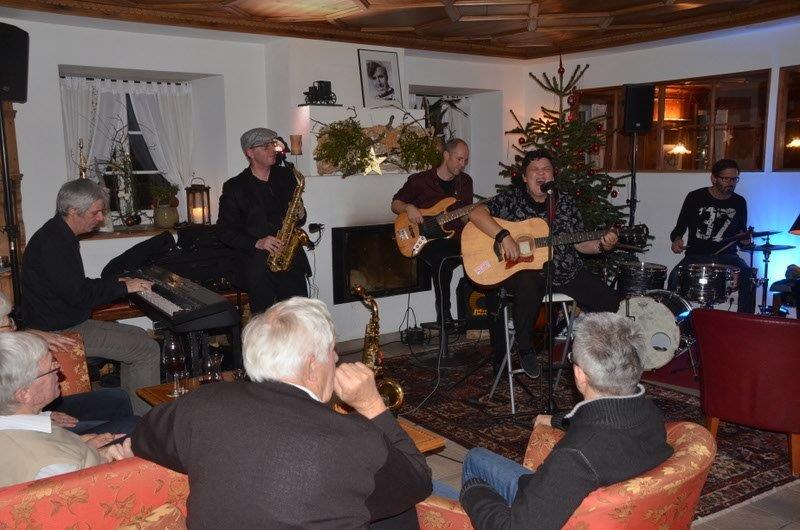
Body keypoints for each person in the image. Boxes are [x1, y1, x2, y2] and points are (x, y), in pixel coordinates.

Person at [132, 297, 431, 528]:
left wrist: (117, 446)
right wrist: (371, 405)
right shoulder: (353, 437)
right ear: (312, 366)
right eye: (332, 350)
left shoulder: (202, 403)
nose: (337, 357)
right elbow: (418, 481)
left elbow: (142, 435)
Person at [452, 313, 673, 529]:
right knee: (476, 456)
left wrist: (474, 491)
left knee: (472, 469)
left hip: (542, 510)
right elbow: (603, 421)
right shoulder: (649, 413)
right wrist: (557, 420)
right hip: (589, 507)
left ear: (579, 374)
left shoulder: (574, 457)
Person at [467, 149, 620, 377]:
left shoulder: (565, 202)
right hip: (523, 273)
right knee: (529, 280)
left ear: (553, 175)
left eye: (546, 169)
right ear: (524, 177)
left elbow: (580, 244)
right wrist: (504, 237)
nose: (541, 174)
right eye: (535, 170)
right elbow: (476, 214)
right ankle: (525, 347)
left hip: (565, 271)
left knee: (611, 301)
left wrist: (602, 246)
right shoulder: (511, 199)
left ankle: (600, 358)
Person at [19, 179, 161, 415]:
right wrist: (123, 288)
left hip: (67, 320)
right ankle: (144, 422)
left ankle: (130, 413)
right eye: (96, 213)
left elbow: (74, 286)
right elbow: (80, 295)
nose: (100, 218)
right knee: (146, 349)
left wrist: (117, 282)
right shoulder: (54, 244)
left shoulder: (58, 234)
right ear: (73, 211)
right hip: (58, 330)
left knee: (138, 335)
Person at [0, 332, 133, 488]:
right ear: (24, 394)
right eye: (51, 369)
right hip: (101, 482)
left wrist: (87, 447)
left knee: (130, 419)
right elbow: (98, 495)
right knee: (136, 429)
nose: (60, 370)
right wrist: (129, 467)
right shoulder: (50, 466)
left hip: (84, 456)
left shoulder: (19, 420)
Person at [0, 293, 138, 436]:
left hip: (33, 412)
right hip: (33, 432)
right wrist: (83, 442)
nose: (13, 328)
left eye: (11, 319)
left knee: (118, 398)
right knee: (131, 426)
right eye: (7, 322)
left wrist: (47, 414)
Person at [217, 127, 311, 315]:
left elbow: (298, 219)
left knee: (300, 317)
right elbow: (224, 231)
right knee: (265, 322)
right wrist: (258, 242)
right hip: (258, 268)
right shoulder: (235, 187)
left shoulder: (287, 176)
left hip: (290, 260)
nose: (272, 149)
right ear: (250, 152)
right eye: (265, 146)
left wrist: (301, 213)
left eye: (273, 144)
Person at [392, 138, 473, 327]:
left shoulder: (465, 182)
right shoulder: (420, 181)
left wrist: (473, 216)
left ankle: (478, 314)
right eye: (459, 159)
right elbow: (395, 204)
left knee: (477, 250)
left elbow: (465, 216)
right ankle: (444, 314)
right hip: (424, 239)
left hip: (454, 236)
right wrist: (409, 207)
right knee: (442, 259)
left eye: (465, 160)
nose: (463, 164)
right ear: (446, 155)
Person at [668, 158, 755, 313]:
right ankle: (674, 320)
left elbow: (741, 238)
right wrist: (677, 239)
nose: (731, 183)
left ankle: (744, 322)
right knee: (675, 277)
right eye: (726, 179)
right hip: (696, 256)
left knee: (749, 275)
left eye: (734, 179)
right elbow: (679, 229)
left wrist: (745, 240)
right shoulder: (695, 197)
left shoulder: (739, 202)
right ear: (714, 178)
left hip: (728, 257)